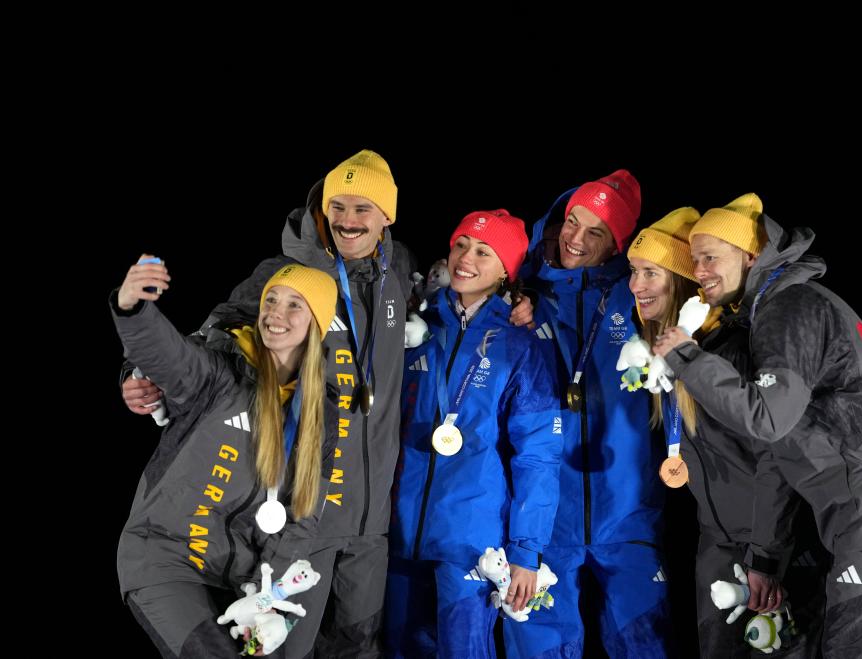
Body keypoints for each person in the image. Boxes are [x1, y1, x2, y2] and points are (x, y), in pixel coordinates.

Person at [120, 149, 415, 657]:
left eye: (362, 209)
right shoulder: (285, 273)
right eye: (337, 206)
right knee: (280, 649)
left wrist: (519, 298)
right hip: (308, 515)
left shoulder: (397, 270)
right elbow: (213, 339)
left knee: (359, 647)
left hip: (372, 521)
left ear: (386, 216)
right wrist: (141, 374)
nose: (347, 220)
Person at [655, 193, 862, 657]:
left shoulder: (789, 307)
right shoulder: (777, 309)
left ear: (750, 256)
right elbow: (781, 449)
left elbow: (767, 420)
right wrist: (766, 558)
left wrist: (686, 357)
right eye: (694, 260)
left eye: (710, 257)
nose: (699, 270)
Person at [114, 259, 340, 658]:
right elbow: (168, 356)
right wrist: (133, 309)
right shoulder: (221, 375)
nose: (276, 313)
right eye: (271, 300)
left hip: (242, 581)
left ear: (316, 324)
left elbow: (302, 519)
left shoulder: (320, 414)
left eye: (294, 305)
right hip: (167, 559)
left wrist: (270, 600)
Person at [628, 206, 826, 657]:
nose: (636, 286)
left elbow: (776, 460)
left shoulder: (730, 351)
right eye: (633, 273)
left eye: (650, 273)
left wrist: (766, 556)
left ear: (683, 282)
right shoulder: (668, 356)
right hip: (718, 544)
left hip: (775, 550)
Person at [506, 170, 675, 657]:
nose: (575, 238)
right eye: (573, 221)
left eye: (595, 231)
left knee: (644, 646)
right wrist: (514, 305)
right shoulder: (524, 294)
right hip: (544, 521)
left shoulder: (637, 295)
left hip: (629, 517)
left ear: (617, 245)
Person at [384, 209, 562, 658]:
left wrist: (526, 551)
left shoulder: (519, 346)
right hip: (398, 532)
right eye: (462, 245)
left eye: (484, 251)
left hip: (471, 541)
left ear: (505, 271)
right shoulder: (416, 329)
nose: (466, 258)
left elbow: (538, 453)